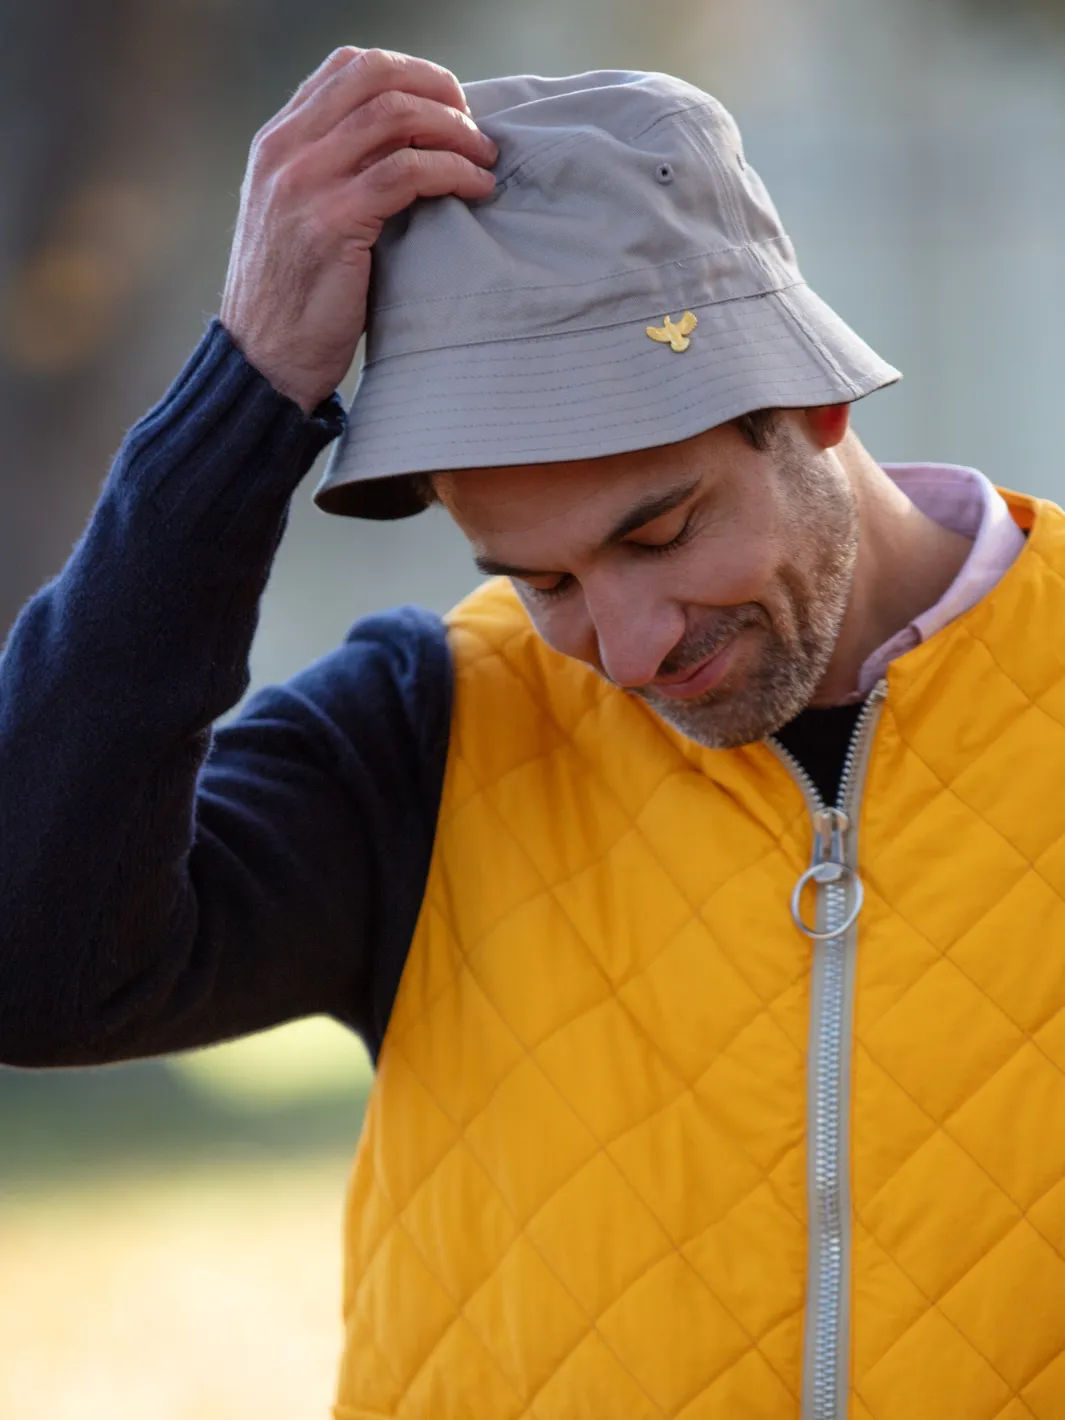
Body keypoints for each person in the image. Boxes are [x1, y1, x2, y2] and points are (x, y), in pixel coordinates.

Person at [1, 45, 1063, 1420]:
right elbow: (33, 965)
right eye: (541, 581)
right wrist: (248, 394)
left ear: (813, 404)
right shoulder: (424, 730)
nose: (627, 653)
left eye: (661, 530)